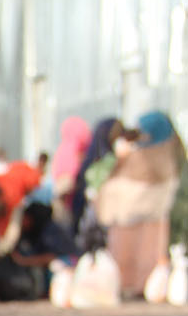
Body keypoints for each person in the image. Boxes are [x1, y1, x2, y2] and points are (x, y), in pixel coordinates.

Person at [97, 111, 184, 298]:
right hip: (153, 221)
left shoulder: (133, 157)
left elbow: (107, 188)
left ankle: (132, 285)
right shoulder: (172, 157)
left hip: (127, 220)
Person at [50, 117, 91, 227]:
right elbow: (68, 180)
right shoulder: (75, 150)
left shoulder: (62, 150)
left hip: (67, 202)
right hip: (72, 203)